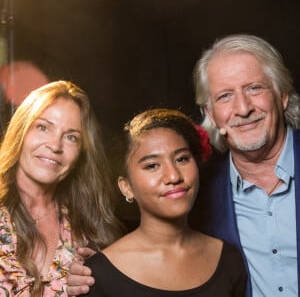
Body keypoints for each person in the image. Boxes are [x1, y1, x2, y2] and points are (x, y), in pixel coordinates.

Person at [80, 108, 247, 296]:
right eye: (152, 166)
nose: (173, 176)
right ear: (126, 186)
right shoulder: (98, 275)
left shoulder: (228, 260)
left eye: (182, 159)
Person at [190, 34, 300, 297]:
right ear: (210, 114)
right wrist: (94, 267)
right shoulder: (195, 191)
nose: (242, 108)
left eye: (254, 88)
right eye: (225, 96)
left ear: (282, 95)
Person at [0, 80, 122, 296]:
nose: (55, 146)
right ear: (21, 130)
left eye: (71, 137)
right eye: (43, 127)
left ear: (81, 154)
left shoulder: (88, 230)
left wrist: (95, 285)